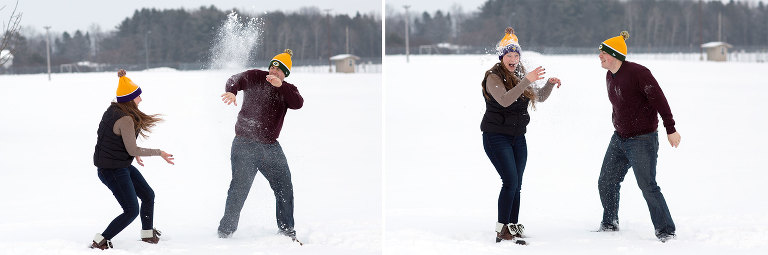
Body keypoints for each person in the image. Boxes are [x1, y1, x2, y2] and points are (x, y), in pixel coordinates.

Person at [596, 31, 680, 242]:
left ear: (614, 55)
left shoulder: (639, 73)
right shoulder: (610, 75)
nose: (599, 56)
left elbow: (660, 100)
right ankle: (609, 222)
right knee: (606, 180)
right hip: (620, 137)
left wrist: (670, 128)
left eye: (603, 53)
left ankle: (666, 230)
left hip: (642, 139)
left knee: (648, 185)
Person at [481, 27, 562, 244]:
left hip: (518, 138)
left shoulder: (520, 74)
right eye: (509, 55)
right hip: (495, 136)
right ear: (502, 56)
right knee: (510, 181)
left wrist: (549, 84)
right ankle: (502, 229)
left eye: (516, 55)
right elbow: (505, 100)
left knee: (517, 184)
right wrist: (526, 80)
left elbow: (539, 97)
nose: (514, 59)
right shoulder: (493, 77)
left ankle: (512, 227)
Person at [218, 49, 304, 244]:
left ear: (285, 74)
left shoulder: (289, 90)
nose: (274, 71)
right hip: (244, 144)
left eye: (279, 69)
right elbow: (234, 79)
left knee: (284, 187)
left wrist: (281, 87)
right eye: (273, 67)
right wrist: (231, 92)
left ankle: (287, 230)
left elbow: (298, 103)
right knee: (239, 188)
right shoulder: (256, 76)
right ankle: (225, 232)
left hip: (270, 147)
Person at [91, 69, 175, 250]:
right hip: (112, 170)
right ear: (130, 99)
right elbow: (131, 146)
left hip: (119, 164)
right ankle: (101, 241)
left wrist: (132, 152)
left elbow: (114, 139)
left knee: (148, 195)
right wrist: (158, 152)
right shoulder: (125, 118)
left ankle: (147, 233)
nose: (141, 100)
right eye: (138, 97)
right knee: (131, 211)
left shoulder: (113, 110)